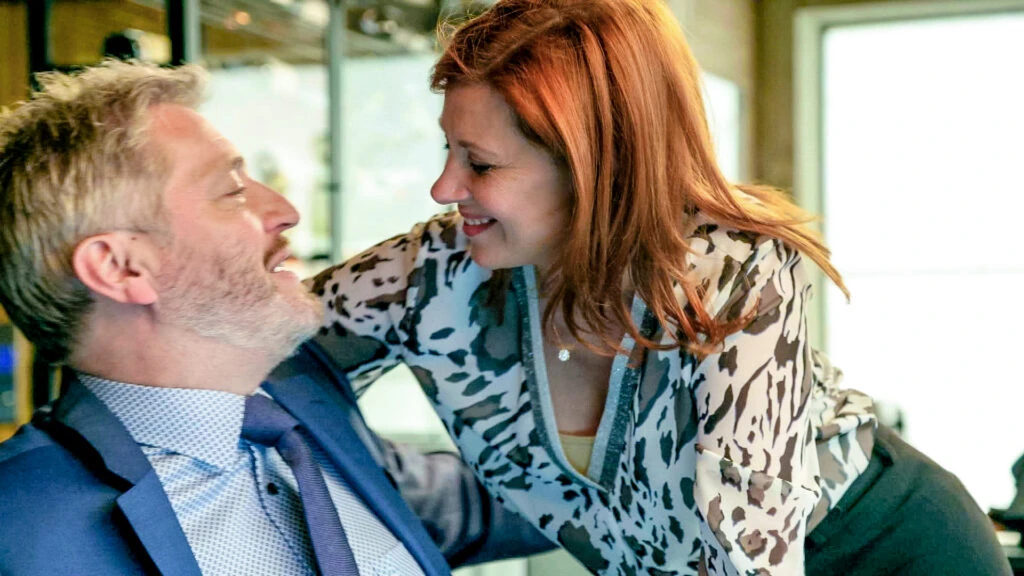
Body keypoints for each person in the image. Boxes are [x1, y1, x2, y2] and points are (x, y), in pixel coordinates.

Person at [306, 0, 1011, 574]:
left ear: (594, 168)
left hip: (882, 550)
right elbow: (264, 341)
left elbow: (743, 556)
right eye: (448, 149)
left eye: (480, 163)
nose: (444, 188)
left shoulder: (733, 268)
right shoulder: (434, 269)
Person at [0, 61, 551, 575]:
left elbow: (515, 506)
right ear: (120, 267)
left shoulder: (302, 401)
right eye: (232, 192)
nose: (286, 212)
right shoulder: (20, 527)